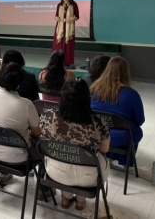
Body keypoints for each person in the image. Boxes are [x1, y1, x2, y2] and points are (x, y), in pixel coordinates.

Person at [40, 79, 110, 210]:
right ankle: (80, 201)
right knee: (93, 159)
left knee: (64, 156)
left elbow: (42, 137)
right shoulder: (98, 122)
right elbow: (105, 149)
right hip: (90, 177)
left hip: (56, 172)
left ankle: (66, 198)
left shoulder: (48, 116)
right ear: (87, 99)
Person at [0, 62, 41, 185]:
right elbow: (37, 133)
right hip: (18, 158)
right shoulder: (27, 104)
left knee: (2, 132)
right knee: (43, 145)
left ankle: (3, 173)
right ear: (19, 84)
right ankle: (44, 189)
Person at [90, 56, 145, 166]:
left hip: (96, 134)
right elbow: (140, 121)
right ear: (126, 73)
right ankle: (126, 162)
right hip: (120, 138)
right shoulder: (131, 94)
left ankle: (107, 157)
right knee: (135, 130)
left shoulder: (94, 89)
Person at [52, 0, 79, 68]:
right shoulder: (59, 5)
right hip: (60, 26)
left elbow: (77, 16)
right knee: (59, 45)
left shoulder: (74, 4)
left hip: (69, 27)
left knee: (68, 45)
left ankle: (67, 62)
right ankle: (57, 61)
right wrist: (56, 18)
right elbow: (56, 15)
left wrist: (72, 18)